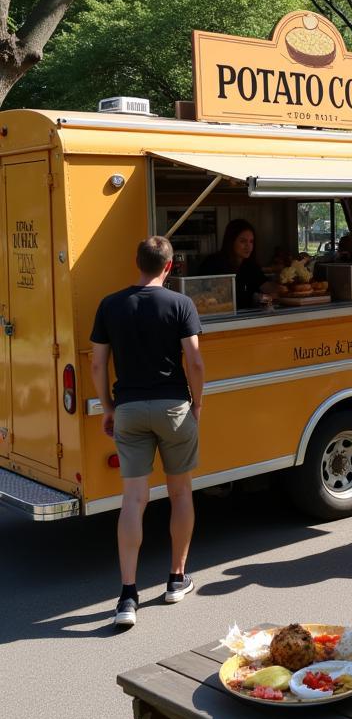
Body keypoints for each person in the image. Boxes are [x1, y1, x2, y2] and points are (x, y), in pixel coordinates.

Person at [90, 236, 204, 628]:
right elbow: (194, 360)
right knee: (181, 493)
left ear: (136, 263)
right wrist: (198, 402)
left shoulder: (111, 305)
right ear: (169, 267)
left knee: (133, 502)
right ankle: (175, 579)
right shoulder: (180, 304)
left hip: (129, 409)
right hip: (174, 407)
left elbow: (97, 365)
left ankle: (126, 596)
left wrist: (107, 407)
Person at [198, 218, 275, 308]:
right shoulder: (213, 263)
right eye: (243, 241)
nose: (248, 246)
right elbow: (206, 297)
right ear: (231, 242)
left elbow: (267, 287)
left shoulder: (250, 266)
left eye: (251, 241)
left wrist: (285, 284)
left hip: (248, 319)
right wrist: (254, 297)